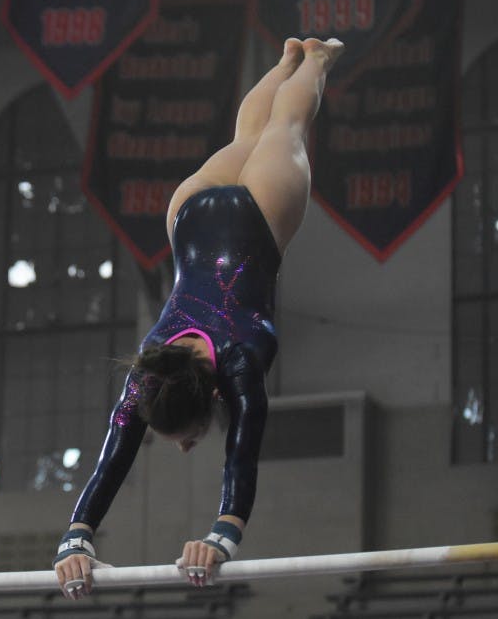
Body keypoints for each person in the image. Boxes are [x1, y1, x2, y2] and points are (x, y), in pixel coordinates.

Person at [53, 37, 344, 598]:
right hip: (189, 212)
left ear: (212, 398)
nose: (187, 445)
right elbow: (112, 455)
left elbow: (242, 457)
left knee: (284, 127)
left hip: (261, 214)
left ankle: (316, 60)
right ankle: (287, 59)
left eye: (185, 439)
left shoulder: (238, 367)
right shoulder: (150, 369)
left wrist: (221, 536)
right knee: (250, 138)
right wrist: (75, 535)